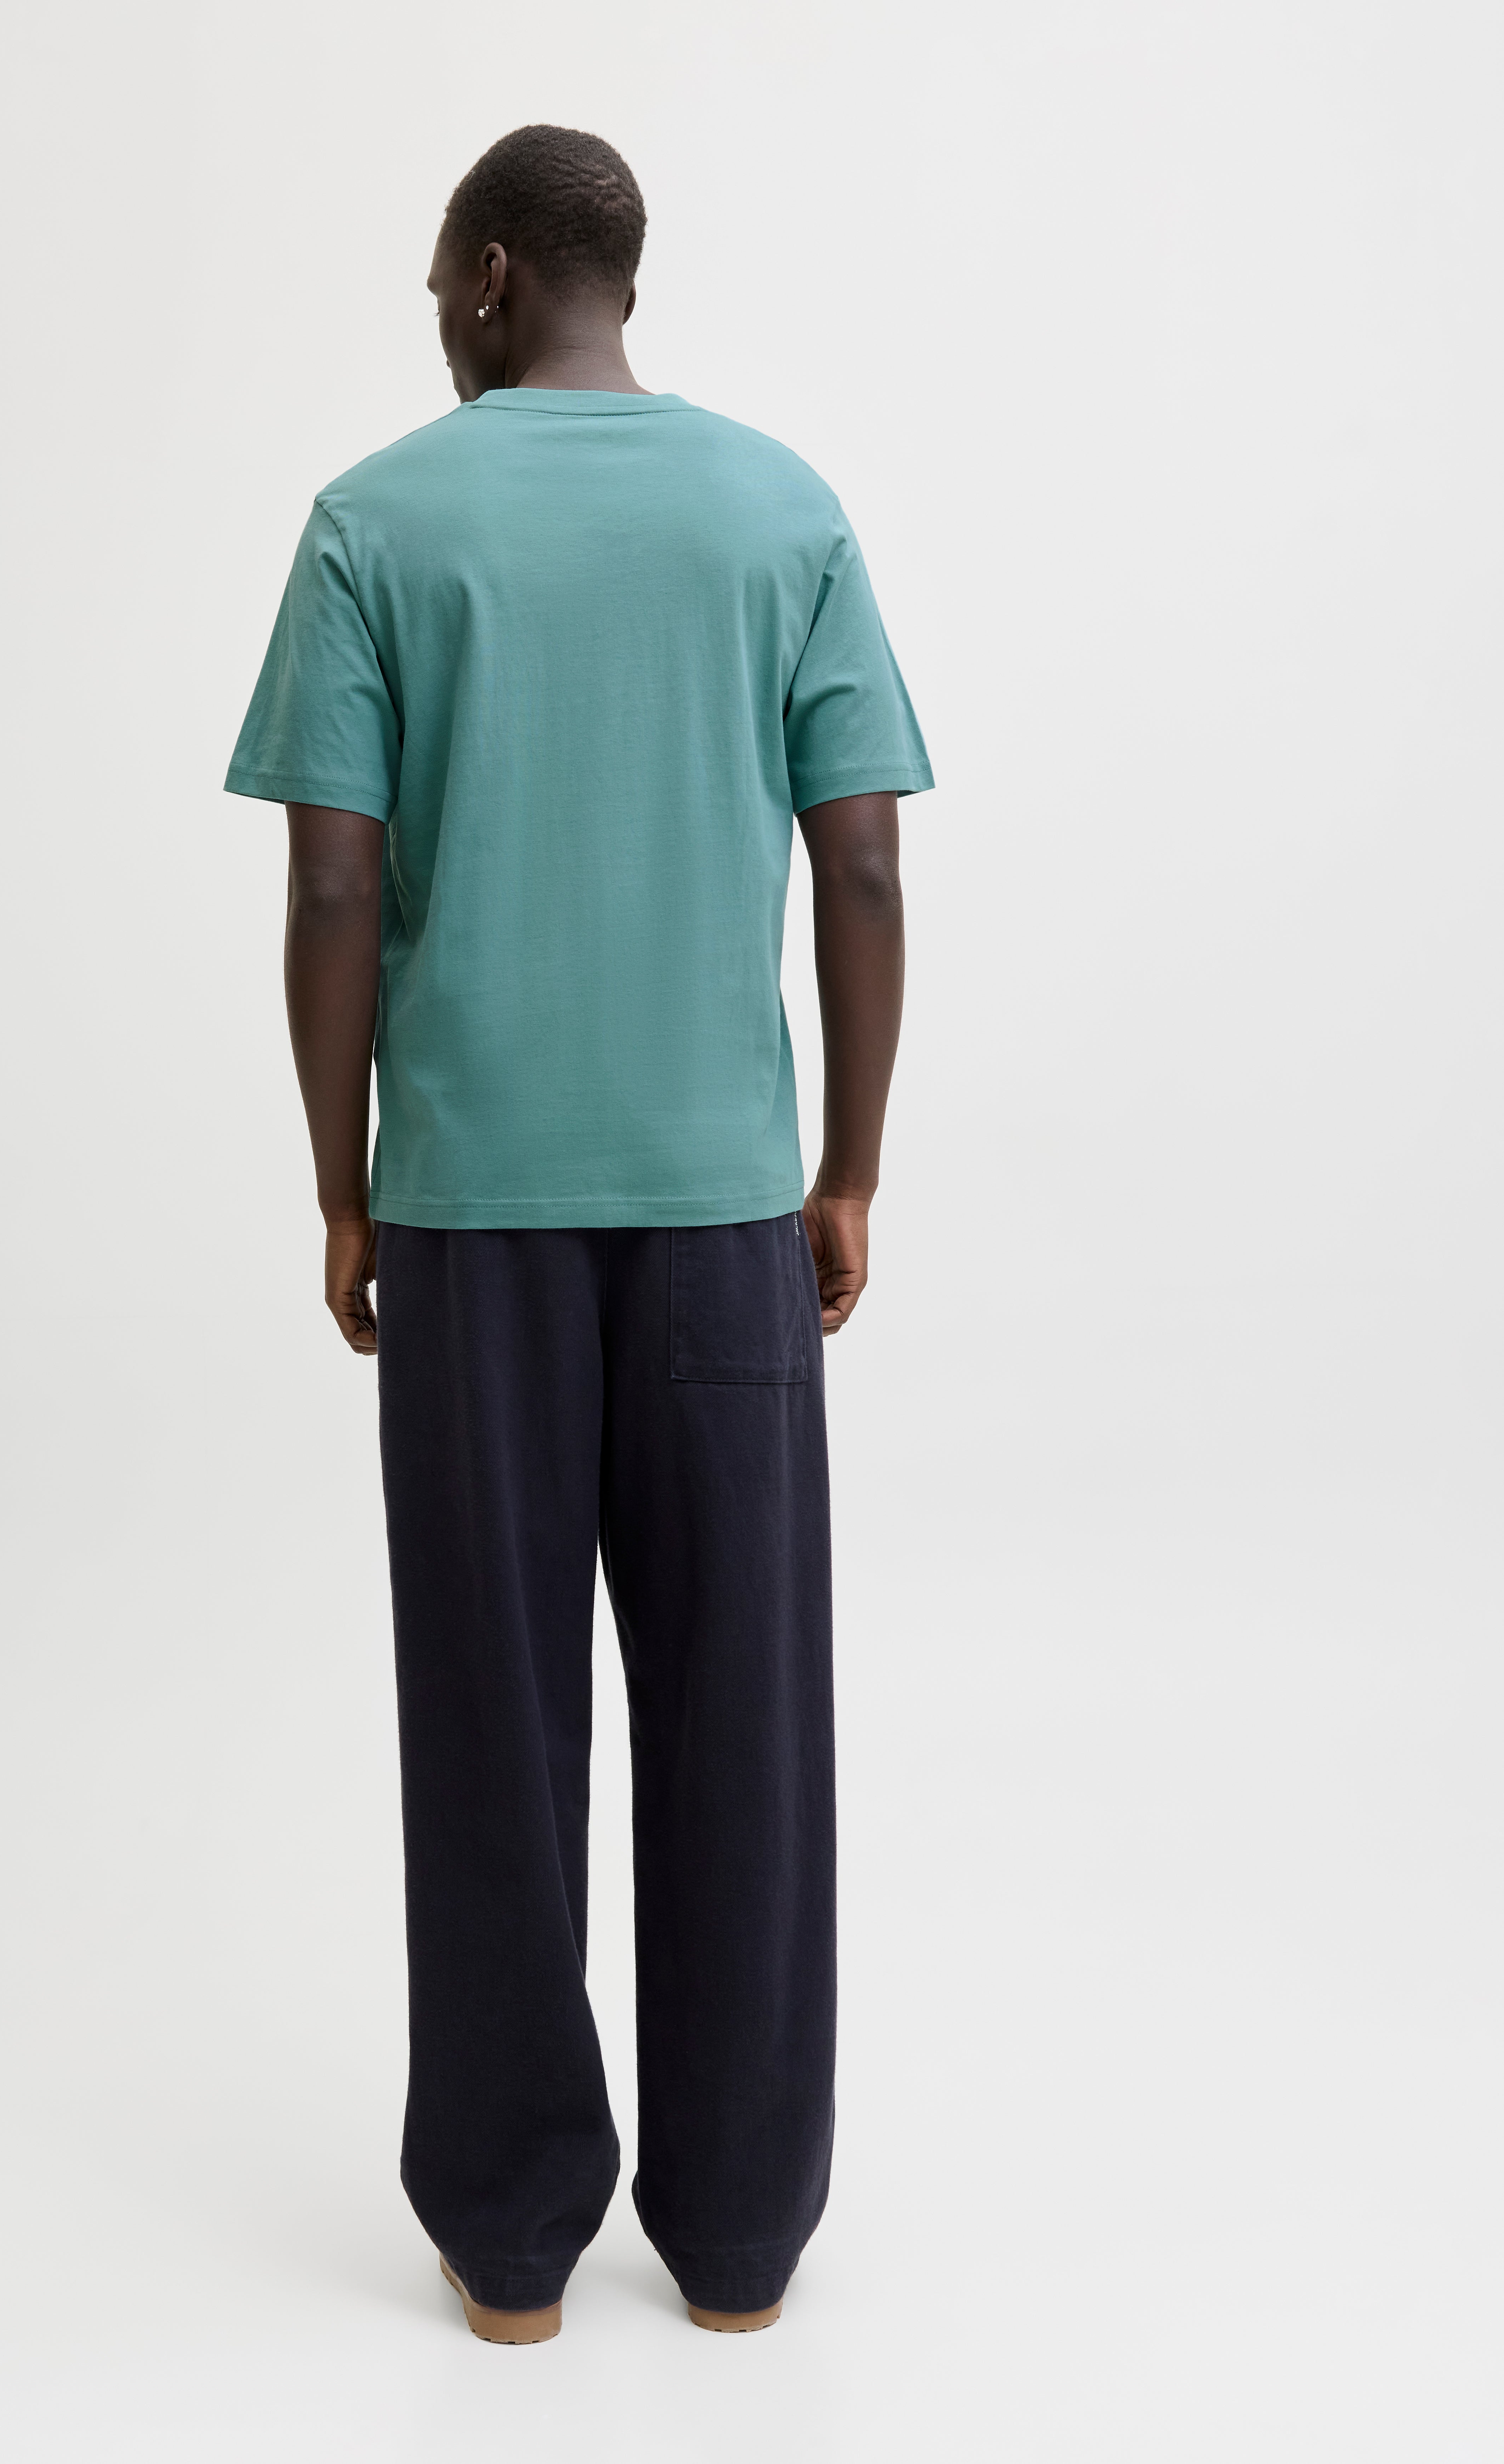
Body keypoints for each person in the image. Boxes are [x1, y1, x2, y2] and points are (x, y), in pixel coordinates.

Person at [224, 124, 931, 2344]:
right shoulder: (779, 510)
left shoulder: (378, 521)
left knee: (492, 1721)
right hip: (724, 1219)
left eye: (437, 278)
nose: (432, 315)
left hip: (474, 1223)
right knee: (745, 1725)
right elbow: (862, 865)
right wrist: (847, 1169)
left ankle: (516, 2244)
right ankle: (738, 2246)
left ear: (493, 272)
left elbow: (333, 884)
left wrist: (342, 1181)